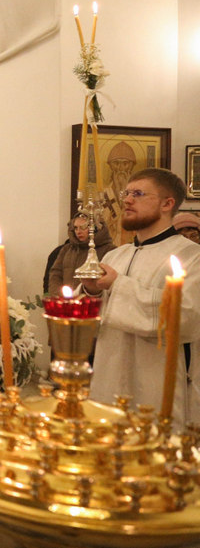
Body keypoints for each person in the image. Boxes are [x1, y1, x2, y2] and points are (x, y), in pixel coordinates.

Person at [85, 168, 200, 427]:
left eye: (137, 194)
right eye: (126, 193)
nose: (126, 200)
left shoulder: (191, 256)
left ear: (167, 204)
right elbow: (100, 321)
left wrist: (117, 284)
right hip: (109, 377)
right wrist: (92, 291)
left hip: (157, 383)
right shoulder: (115, 255)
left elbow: (186, 318)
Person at [46, 214, 115, 297]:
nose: (78, 232)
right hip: (66, 300)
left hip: (94, 301)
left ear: (95, 228)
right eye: (76, 228)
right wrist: (59, 297)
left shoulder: (110, 250)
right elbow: (56, 274)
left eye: (83, 227)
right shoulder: (66, 249)